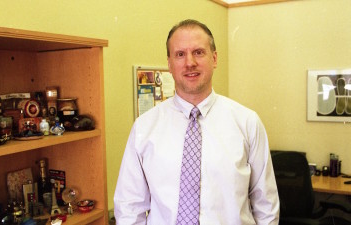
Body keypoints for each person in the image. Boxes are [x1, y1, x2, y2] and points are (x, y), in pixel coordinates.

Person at [114, 19, 280, 225]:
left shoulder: (247, 122)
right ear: (169, 63)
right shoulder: (144, 127)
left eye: (199, 52)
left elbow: (266, 206)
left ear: (215, 58)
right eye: (180, 54)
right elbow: (129, 207)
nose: (189, 62)